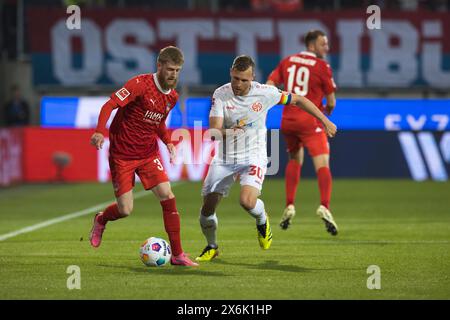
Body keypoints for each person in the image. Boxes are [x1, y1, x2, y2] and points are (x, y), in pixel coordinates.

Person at [196, 55, 337, 261]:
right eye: (235, 78)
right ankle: (212, 246)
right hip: (225, 159)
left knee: (246, 201)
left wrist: (324, 120)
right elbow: (213, 133)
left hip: (254, 156)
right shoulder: (221, 94)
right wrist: (230, 132)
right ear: (231, 74)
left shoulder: (265, 93)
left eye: (244, 80)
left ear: (252, 78)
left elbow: (298, 99)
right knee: (207, 209)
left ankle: (262, 220)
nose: (238, 84)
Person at [89, 46, 198, 267]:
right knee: (125, 210)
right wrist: (100, 130)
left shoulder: (172, 97)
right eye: (170, 69)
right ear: (159, 66)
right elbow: (109, 105)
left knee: (168, 195)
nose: (173, 75)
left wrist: (167, 142)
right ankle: (101, 219)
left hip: (148, 153)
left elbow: (158, 121)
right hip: (123, 154)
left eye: (177, 70)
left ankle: (177, 254)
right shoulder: (139, 85)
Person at [266, 29, 338, 235]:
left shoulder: (287, 61)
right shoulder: (323, 66)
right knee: (322, 163)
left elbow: (270, 85)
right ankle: (324, 205)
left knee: (295, 159)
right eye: (323, 44)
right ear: (312, 45)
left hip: (288, 120)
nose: (327, 48)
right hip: (311, 121)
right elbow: (331, 101)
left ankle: (289, 204)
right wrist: (326, 114)